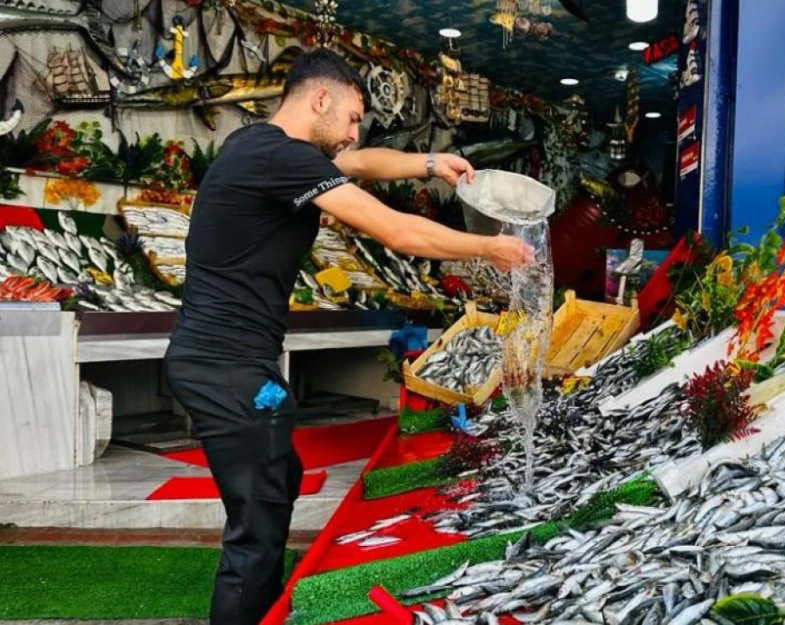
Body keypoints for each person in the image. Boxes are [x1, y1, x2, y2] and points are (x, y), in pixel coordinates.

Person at [164, 48, 532, 625]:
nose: (354, 132)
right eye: (353, 116)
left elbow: (362, 164)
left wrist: (432, 164)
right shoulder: (278, 158)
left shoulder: (257, 147)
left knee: (277, 480)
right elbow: (396, 230)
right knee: (255, 530)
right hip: (226, 367)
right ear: (319, 99)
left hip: (227, 360)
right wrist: (490, 247)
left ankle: (263, 606)